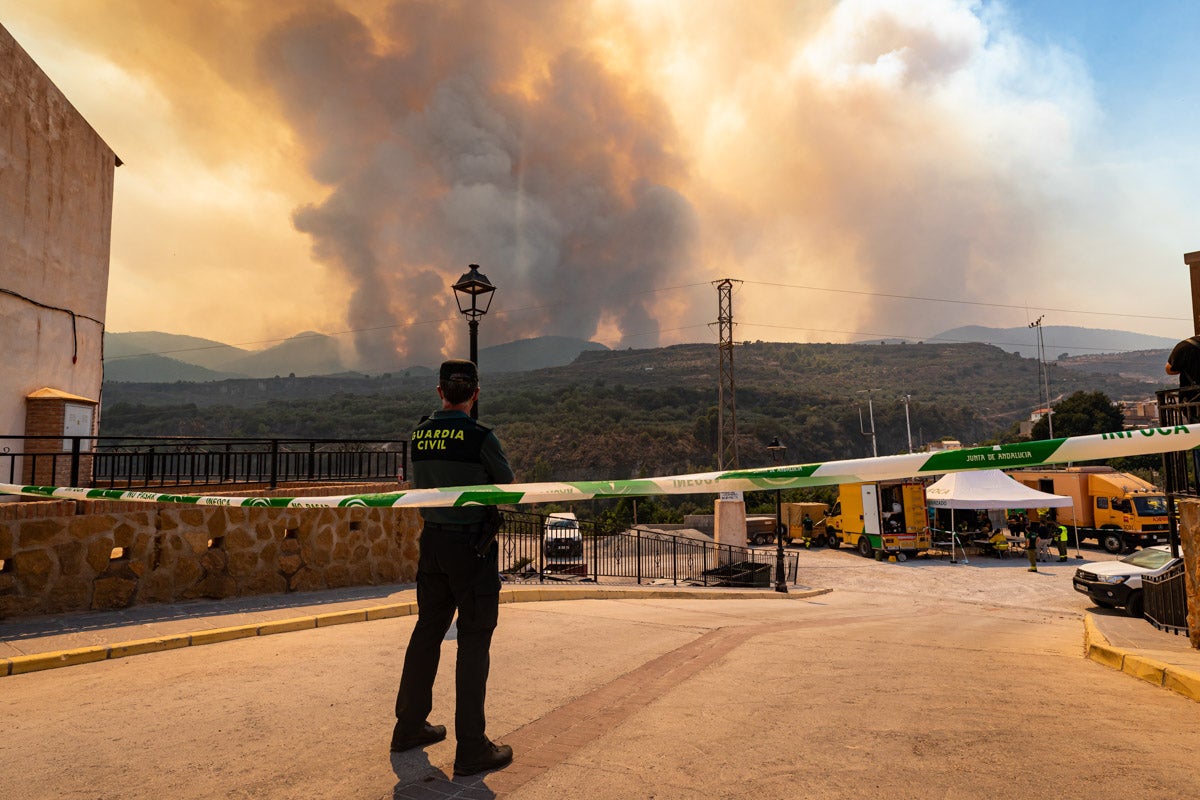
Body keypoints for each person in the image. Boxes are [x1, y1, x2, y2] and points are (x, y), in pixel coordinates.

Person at [392, 360, 516, 777]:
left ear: (439, 391)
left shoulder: (420, 434)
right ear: (475, 394)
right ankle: (471, 748)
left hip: (432, 544)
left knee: (427, 632)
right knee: (474, 641)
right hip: (472, 550)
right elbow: (509, 490)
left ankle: (409, 726)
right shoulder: (480, 437)